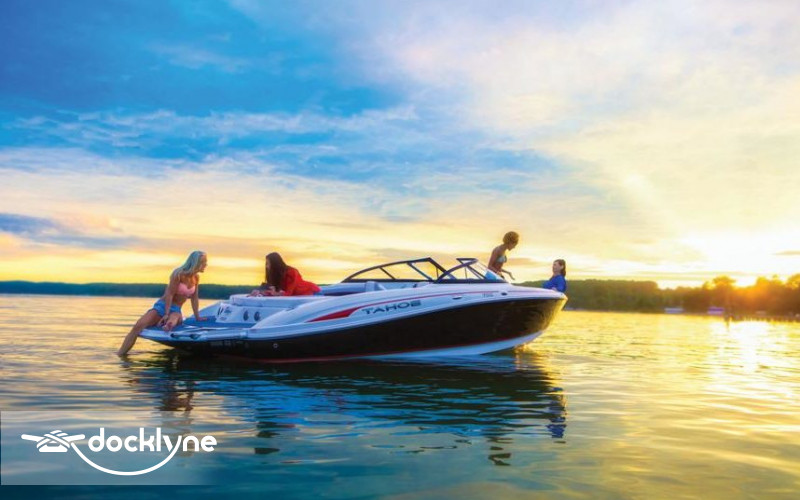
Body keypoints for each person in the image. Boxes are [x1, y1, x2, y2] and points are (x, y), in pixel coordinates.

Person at [117, 251, 208, 356]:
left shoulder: (196, 278)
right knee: (138, 327)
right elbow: (170, 294)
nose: (206, 265)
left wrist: (197, 317)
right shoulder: (178, 274)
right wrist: (165, 313)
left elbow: (194, 298)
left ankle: (168, 324)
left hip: (176, 310)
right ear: (196, 262)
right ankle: (120, 355)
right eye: (204, 262)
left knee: (175, 316)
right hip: (162, 306)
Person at [251, 252, 320, 296]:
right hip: (298, 295)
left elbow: (288, 292)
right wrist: (259, 291)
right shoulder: (275, 275)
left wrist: (276, 293)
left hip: (310, 291)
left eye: (268, 263)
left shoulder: (291, 272)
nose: (266, 266)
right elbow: (273, 291)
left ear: (274, 264)